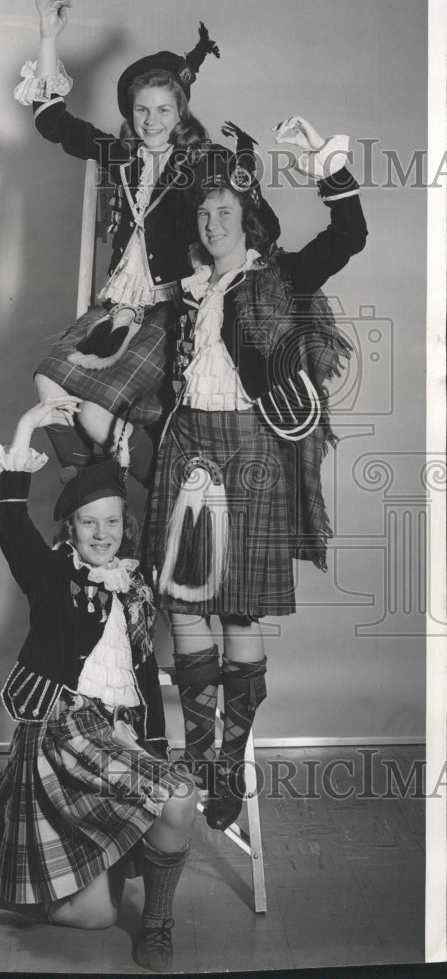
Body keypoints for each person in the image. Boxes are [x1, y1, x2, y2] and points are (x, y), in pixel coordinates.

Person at [0, 396, 196, 974]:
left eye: (111, 521)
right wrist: (28, 425)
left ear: (124, 524)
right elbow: (8, 516)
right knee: (175, 802)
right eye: (88, 522)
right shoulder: (50, 573)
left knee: (96, 914)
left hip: (124, 735)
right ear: (70, 527)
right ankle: (147, 923)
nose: (101, 533)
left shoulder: (138, 580)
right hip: (65, 735)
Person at [143, 116, 368, 830]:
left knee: (237, 608)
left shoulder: (280, 279)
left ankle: (230, 765)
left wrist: (328, 166)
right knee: (182, 603)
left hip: (250, 450)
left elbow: (348, 237)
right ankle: (201, 754)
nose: (213, 221)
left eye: (225, 212)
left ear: (247, 219)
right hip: (185, 447)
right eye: (205, 212)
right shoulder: (179, 289)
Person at [15, 0, 219, 485]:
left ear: (181, 113)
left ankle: (126, 487)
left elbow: (243, 226)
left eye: (164, 111)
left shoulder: (204, 163)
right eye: (142, 110)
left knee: (95, 417)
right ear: (131, 111)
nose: (152, 122)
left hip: (172, 307)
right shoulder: (119, 155)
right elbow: (51, 122)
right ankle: (91, 487)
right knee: (47, 378)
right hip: (118, 301)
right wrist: (48, 36)